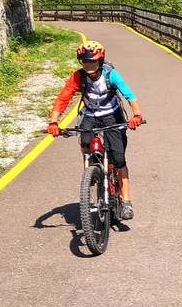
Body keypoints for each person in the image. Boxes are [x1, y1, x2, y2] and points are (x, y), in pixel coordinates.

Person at [47, 41, 144, 220]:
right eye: (84, 61)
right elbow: (62, 99)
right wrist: (54, 122)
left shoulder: (111, 75)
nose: (88, 65)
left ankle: (126, 200)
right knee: (85, 141)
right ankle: (91, 172)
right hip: (90, 115)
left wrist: (136, 115)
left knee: (119, 158)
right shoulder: (78, 77)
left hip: (112, 115)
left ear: (100, 61)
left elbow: (129, 95)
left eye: (92, 61)